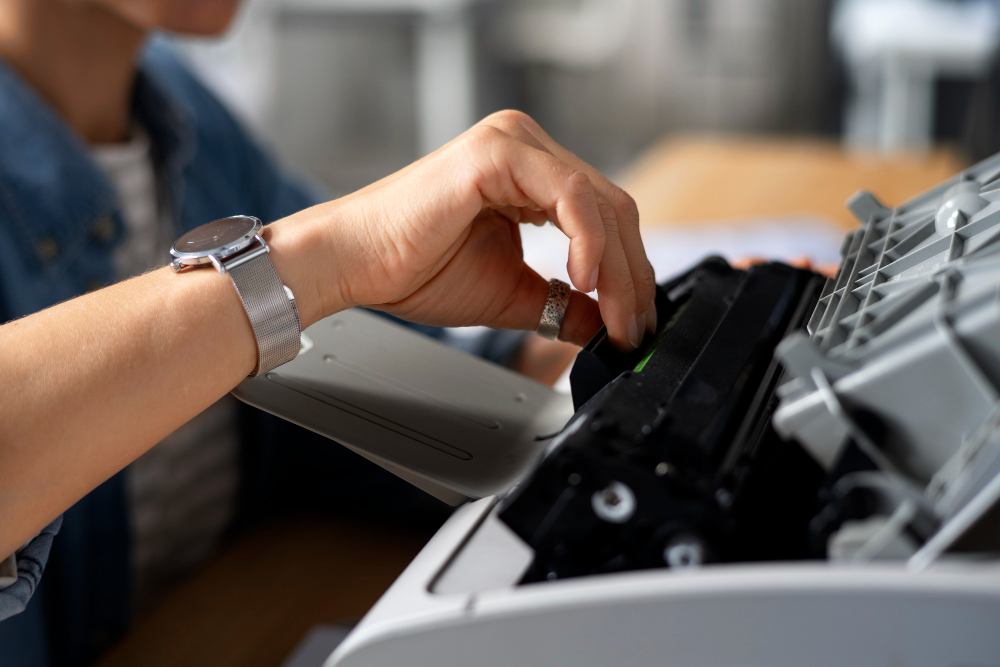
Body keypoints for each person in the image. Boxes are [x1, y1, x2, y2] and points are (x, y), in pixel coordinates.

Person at [0, 1, 657, 664]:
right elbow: (323, 269)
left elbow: (350, 377)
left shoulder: (182, 114)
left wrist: (606, 340)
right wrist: (322, 259)